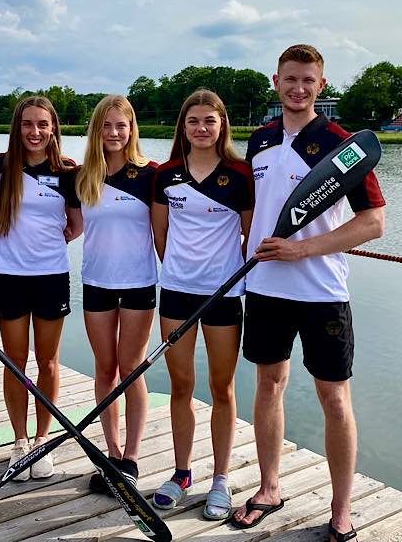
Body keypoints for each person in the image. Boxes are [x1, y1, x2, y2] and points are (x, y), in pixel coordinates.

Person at [227, 44, 385, 542]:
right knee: (268, 385)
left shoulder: (344, 146)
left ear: (321, 84)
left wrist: (305, 249)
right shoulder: (259, 140)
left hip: (322, 293)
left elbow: (373, 223)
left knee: (334, 398)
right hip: (265, 289)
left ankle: (341, 511)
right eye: (289, 79)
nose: (298, 89)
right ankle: (269, 488)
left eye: (308, 81)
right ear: (276, 82)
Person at [150, 89, 253, 520]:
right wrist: (182, 272)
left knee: (222, 388)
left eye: (209, 121)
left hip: (224, 295)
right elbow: (161, 236)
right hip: (176, 292)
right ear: (184, 127)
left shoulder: (240, 175)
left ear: (221, 125)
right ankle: (181, 472)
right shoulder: (167, 175)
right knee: (181, 386)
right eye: (193, 121)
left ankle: (222, 479)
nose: (201, 128)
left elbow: (249, 237)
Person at [0, 96, 83, 481]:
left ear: (53, 129)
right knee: (15, 363)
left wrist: (48, 243)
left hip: (50, 277)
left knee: (47, 362)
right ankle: (20, 441)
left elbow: (76, 224)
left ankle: (43, 440)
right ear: (18, 128)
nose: (35, 132)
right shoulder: (0, 166)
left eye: (42, 125)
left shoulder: (66, 171)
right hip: (8, 276)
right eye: (27, 124)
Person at [72, 95, 157, 492]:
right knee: (104, 369)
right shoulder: (82, 177)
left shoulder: (150, 175)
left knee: (131, 369)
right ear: (96, 130)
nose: (113, 133)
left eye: (120, 126)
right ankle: (111, 452)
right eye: (106, 126)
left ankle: (133, 457)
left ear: (131, 129)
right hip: (97, 283)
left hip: (139, 283)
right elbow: (66, 225)